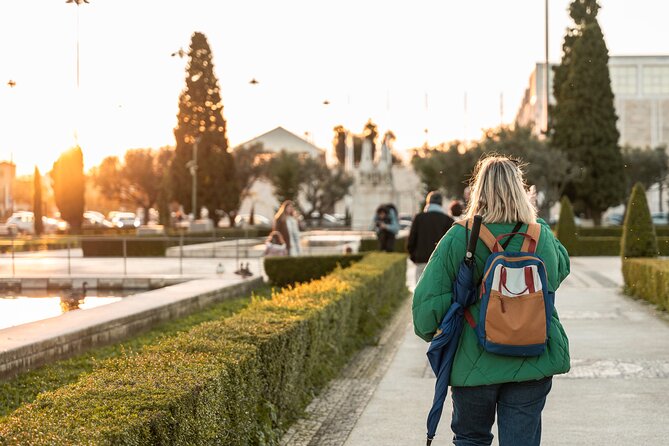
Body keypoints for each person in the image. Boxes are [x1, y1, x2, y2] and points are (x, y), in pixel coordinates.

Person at [412, 156, 570, 446]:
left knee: (471, 439)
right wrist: (535, 217)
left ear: (478, 190)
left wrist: (437, 334)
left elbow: (426, 308)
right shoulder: (539, 235)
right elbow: (560, 270)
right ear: (521, 191)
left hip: (474, 360)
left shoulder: (459, 236)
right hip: (532, 357)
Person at [407, 191, 454, 284]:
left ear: (428, 202)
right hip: (440, 263)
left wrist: (414, 257)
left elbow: (411, 241)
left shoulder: (419, 218)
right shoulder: (448, 220)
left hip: (421, 260)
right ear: (441, 203)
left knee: (420, 294)